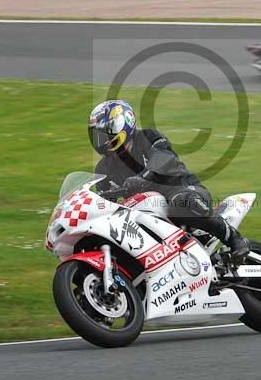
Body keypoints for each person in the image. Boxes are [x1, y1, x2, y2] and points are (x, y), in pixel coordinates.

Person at [88, 99, 250, 260]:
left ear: (122, 125)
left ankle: (234, 238)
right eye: (96, 136)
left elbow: (164, 157)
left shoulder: (148, 136)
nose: (100, 141)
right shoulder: (103, 169)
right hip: (145, 210)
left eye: (103, 135)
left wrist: (143, 178)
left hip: (183, 190)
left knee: (181, 203)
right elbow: (104, 204)